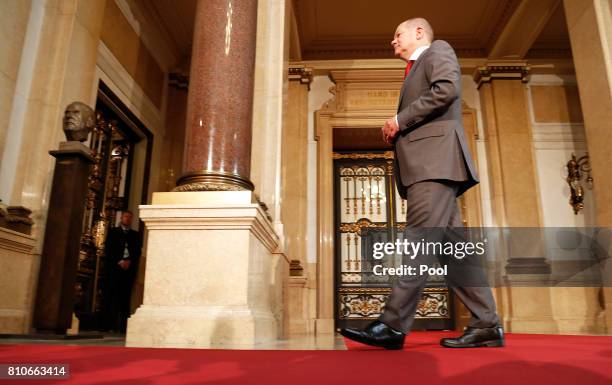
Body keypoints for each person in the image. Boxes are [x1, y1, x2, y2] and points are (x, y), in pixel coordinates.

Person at [340, 18, 503, 350]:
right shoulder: (414, 70)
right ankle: (486, 324)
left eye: (396, 34)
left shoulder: (438, 50)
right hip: (431, 166)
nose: (392, 41)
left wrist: (399, 121)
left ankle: (392, 324)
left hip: (434, 165)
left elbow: (446, 90)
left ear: (418, 33)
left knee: (418, 242)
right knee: (455, 252)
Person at [102, 210, 141, 333]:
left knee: (125, 297)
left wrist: (129, 262)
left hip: (128, 269)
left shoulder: (135, 235)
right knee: (111, 295)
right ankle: (108, 325)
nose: (128, 219)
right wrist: (119, 261)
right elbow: (108, 249)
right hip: (114, 268)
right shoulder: (113, 232)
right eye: (126, 217)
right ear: (121, 218)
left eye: (130, 217)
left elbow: (137, 252)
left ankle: (123, 326)